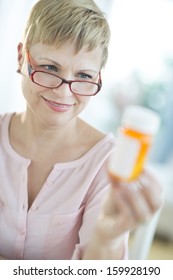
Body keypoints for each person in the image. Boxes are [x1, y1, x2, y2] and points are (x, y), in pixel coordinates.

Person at [0, 0, 163, 260]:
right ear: (21, 56)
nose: (64, 92)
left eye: (84, 76)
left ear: (98, 77)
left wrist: (107, 240)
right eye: (50, 68)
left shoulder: (107, 164)